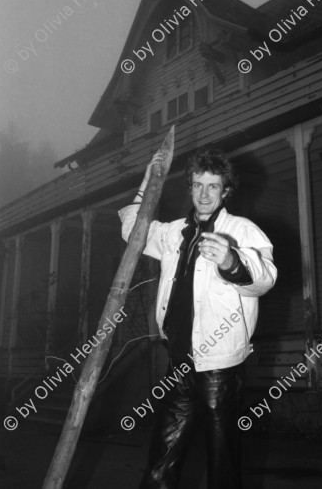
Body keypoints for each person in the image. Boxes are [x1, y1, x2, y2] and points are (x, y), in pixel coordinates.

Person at [119, 147, 277, 489]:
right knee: (160, 461)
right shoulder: (174, 232)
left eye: (213, 186)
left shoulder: (242, 231)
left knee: (221, 462)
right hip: (179, 364)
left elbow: (265, 278)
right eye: (197, 185)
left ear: (226, 190)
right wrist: (147, 181)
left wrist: (231, 261)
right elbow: (134, 232)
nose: (204, 194)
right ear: (189, 187)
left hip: (219, 368)